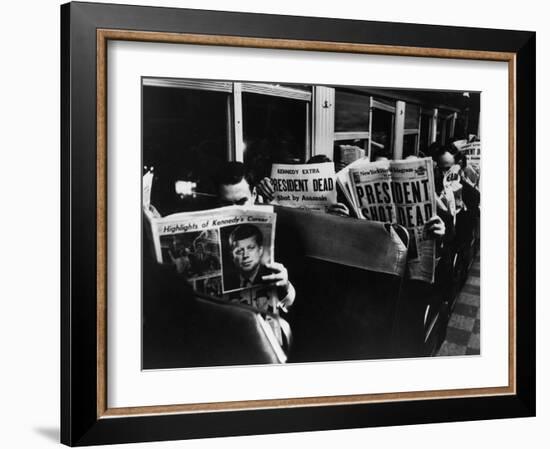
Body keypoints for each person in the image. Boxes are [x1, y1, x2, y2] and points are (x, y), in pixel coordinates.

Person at [214, 162, 296, 311]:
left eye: (241, 202)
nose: (235, 211)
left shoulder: (280, 232)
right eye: (226, 204)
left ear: (253, 195)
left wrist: (285, 286)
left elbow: (297, 305)